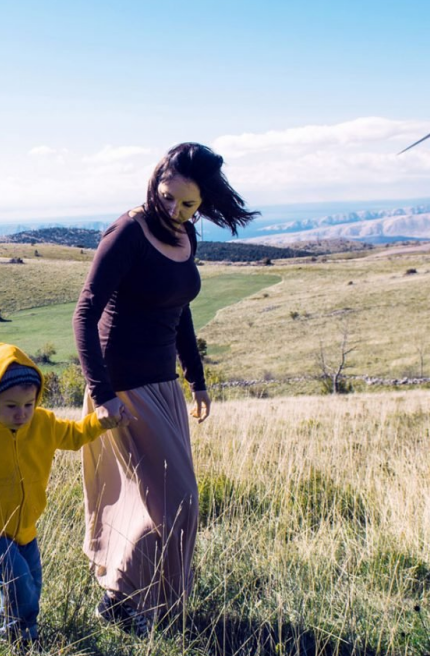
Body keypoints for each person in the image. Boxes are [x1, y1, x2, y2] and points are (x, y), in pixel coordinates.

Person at [72, 142, 258, 634]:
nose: (174, 209)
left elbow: (179, 310)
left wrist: (196, 380)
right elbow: (84, 314)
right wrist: (102, 393)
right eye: (167, 196)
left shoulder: (184, 235)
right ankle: (128, 601)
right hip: (124, 387)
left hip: (163, 385)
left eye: (188, 204)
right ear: (155, 182)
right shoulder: (128, 232)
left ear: (203, 203)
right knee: (178, 501)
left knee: (161, 502)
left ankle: (132, 603)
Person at [0, 342, 120, 645]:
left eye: (28, 405)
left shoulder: (43, 424)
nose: (21, 414)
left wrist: (99, 421)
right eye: (11, 407)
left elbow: (74, 435)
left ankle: (12, 633)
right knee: (18, 581)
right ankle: (23, 640)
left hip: (25, 526)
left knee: (31, 584)